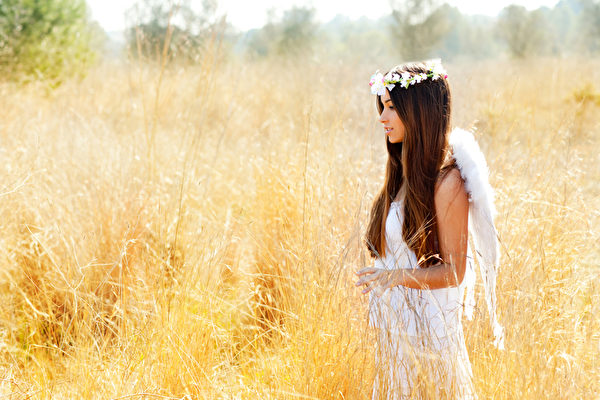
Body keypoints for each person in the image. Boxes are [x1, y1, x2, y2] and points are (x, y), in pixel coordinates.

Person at [354, 60, 504, 399]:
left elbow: (454, 271)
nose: (382, 117)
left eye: (392, 107)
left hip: (430, 338)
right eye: (382, 106)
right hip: (397, 333)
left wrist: (396, 277)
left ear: (419, 111)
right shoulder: (401, 174)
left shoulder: (448, 182)